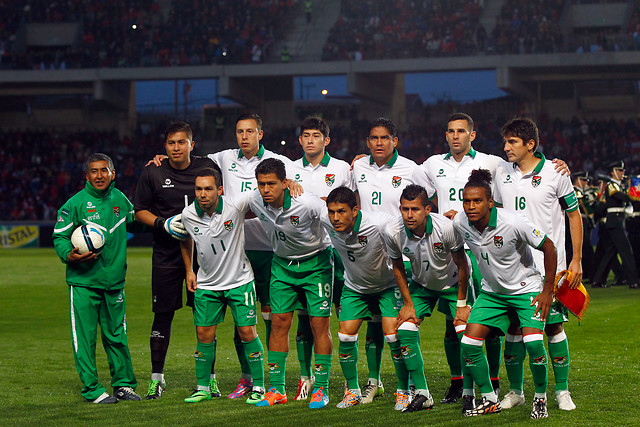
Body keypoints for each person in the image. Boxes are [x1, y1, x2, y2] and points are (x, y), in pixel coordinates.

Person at [493, 117, 583, 412]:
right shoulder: (501, 172)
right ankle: (516, 390)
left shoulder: (556, 172)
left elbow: (573, 215)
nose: (506, 147)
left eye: (512, 142)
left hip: (549, 268)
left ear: (530, 144)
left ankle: (562, 391)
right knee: (515, 329)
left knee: (554, 327)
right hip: (512, 269)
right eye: (505, 141)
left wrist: (576, 259)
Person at [413, 112, 504, 403]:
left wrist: (556, 163)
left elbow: (517, 176)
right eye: (451, 131)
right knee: (453, 325)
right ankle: (457, 381)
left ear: (472, 135)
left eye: (461, 131)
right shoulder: (432, 164)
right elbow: (402, 182)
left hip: (481, 250)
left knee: (485, 322)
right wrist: (361, 161)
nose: (455, 136)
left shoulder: (491, 163)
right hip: (446, 253)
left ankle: (493, 380)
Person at [453, 169, 557, 420]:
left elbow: (549, 247)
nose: (470, 206)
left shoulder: (513, 222)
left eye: (477, 201)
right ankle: (489, 398)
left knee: (533, 343)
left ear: (490, 202)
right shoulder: (460, 222)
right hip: (493, 294)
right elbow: (460, 258)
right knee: (468, 344)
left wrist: (547, 292)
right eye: (466, 201)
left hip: (526, 290)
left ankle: (540, 398)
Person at [134, 121, 221, 399]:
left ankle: (209, 379)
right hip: (165, 255)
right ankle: (156, 379)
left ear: (191, 145)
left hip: (205, 256)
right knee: (162, 316)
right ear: (165, 147)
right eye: (171, 143)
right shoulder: (153, 171)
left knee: (205, 319)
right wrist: (162, 224)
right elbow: (139, 211)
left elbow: (223, 197)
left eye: (181, 142)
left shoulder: (207, 168)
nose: (176, 147)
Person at [53, 153, 141, 403]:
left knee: (117, 336)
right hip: (84, 282)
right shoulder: (75, 204)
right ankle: (92, 389)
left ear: (113, 173)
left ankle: (123, 385)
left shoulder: (121, 200)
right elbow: (59, 236)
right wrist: (68, 256)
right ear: (87, 175)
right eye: (94, 171)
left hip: (114, 281)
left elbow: (136, 222)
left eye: (104, 170)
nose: (100, 175)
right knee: (85, 338)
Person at [321, 186, 417, 411]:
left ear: (355, 210)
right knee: (345, 335)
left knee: (393, 336)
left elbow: (411, 221)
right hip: (355, 287)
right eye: (332, 212)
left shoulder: (379, 223)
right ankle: (352, 391)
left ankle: (404, 389)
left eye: (342, 212)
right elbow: (306, 203)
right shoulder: (328, 221)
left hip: (387, 285)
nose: (335, 218)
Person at [249, 158, 333, 409]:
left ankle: (321, 389)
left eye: (271, 184)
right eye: (261, 184)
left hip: (315, 265)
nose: (266, 189)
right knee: (278, 324)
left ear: (285, 183)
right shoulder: (255, 200)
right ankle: (276, 389)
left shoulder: (306, 203)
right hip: (282, 266)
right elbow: (230, 206)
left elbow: (335, 218)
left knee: (319, 325)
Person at [179, 168, 266, 404]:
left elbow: (262, 190)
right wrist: (189, 269)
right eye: (198, 189)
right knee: (203, 335)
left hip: (239, 281)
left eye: (208, 189)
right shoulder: (188, 215)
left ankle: (258, 386)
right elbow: (185, 238)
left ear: (220, 190)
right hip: (207, 284)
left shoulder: (235, 205)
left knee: (247, 332)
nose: (202, 194)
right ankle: (203, 388)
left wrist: (287, 182)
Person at [386, 184, 472, 413]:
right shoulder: (393, 231)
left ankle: (469, 392)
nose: (409, 214)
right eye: (405, 209)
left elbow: (463, 265)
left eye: (415, 209)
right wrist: (408, 303)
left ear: (428, 209)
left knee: (466, 335)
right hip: (422, 285)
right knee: (404, 329)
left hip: (453, 284)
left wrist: (462, 305)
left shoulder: (446, 228)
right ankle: (423, 393)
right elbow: (397, 267)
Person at [351, 117, 419, 403]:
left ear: (395, 141)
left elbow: (432, 199)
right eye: (374, 138)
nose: (379, 143)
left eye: (384, 138)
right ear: (367, 142)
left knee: (403, 323)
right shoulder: (357, 168)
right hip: (367, 254)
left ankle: (413, 384)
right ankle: (374, 380)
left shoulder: (412, 169)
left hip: (401, 256)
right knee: (373, 321)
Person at [288, 116, 353, 400]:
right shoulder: (288, 169)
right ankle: (306, 377)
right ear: (300, 140)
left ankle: (355, 380)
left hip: (337, 251)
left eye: (316, 135)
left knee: (346, 318)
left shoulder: (341, 168)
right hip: (304, 251)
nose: (310, 139)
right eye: (306, 135)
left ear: (326, 140)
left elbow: (354, 203)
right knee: (305, 318)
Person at [592, 161, 640, 289]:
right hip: (616, 222)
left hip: (617, 222)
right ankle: (633, 281)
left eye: (623, 170)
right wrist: (635, 193)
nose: (622, 173)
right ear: (613, 172)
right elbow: (623, 198)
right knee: (626, 252)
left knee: (610, 253)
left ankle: (598, 280)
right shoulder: (612, 186)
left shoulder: (618, 186)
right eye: (620, 170)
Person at [571, 171, 597, 283]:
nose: (586, 183)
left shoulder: (583, 192)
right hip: (575, 222)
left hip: (585, 221)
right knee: (585, 248)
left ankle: (589, 273)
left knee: (586, 248)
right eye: (584, 180)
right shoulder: (574, 191)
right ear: (577, 180)